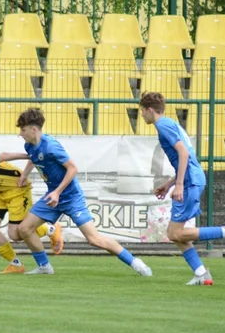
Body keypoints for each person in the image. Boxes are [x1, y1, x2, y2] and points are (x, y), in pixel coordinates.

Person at [12, 107, 151, 276]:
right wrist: (24, 175)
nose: (21, 133)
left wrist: (57, 192)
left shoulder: (51, 146)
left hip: (70, 197)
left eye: (23, 129)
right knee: (24, 229)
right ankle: (44, 267)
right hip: (52, 197)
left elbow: (73, 169)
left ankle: (136, 262)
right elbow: (33, 159)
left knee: (94, 240)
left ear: (34, 129)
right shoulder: (29, 145)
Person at [138, 92, 225, 285]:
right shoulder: (170, 123)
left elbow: (183, 153)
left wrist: (179, 184)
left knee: (174, 233)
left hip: (189, 182)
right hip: (191, 179)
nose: (142, 116)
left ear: (149, 110)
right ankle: (201, 274)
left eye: (142, 112)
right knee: (176, 234)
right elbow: (186, 157)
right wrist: (170, 183)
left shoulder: (163, 125)